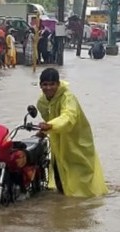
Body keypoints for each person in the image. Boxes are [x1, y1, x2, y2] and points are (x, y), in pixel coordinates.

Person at [36, 68, 108, 198]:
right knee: (60, 176)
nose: (48, 87)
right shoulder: (41, 103)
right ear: (40, 85)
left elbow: (69, 117)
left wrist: (51, 126)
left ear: (58, 84)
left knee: (81, 179)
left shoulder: (68, 98)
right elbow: (49, 119)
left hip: (77, 142)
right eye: (45, 84)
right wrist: (46, 130)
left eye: (52, 84)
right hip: (58, 143)